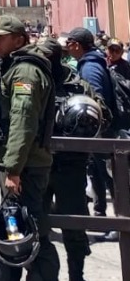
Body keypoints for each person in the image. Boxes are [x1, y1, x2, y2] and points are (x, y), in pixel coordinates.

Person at [0, 16, 59, 281]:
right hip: (18, 164)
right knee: (14, 228)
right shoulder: (14, 66)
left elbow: (23, 121)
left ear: (19, 39)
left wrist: (13, 169)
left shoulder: (24, 71)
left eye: (0, 37)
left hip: (25, 168)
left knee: (28, 229)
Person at [39, 37, 102, 281]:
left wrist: (80, 119)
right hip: (39, 165)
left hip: (71, 166)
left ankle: (77, 274)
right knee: (36, 223)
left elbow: (100, 114)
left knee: (74, 226)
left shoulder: (78, 85)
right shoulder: (34, 83)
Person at [63, 28, 120, 226]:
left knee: (111, 176)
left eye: (68, 43)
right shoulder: (91, 62)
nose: (67, 47)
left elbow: (97, 101)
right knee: (97, 173)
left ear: (77, 45)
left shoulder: (89, 68)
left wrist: (94, 128)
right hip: (99, 133)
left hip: (100, 133)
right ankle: (100, 215)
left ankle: (121, 221)